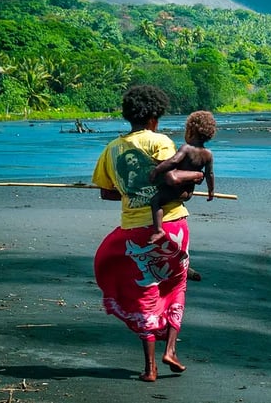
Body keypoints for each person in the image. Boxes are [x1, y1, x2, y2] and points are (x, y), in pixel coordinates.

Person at [92, 85, 202, 382]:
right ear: (154, 117)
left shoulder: (111, 149)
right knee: (177, 282)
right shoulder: (161, 142)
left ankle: (150, 368)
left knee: (146, 290)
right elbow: (172, 179)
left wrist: (133, 195)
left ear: (129, 116)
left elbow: (107, 193)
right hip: (172, 225)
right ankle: (171, 350)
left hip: (134, 230)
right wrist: (188, 190)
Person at [147, 110, 216, 245]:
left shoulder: (186, 148)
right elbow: (210, 174)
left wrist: (156, 170)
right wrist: (211, 191)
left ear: (190, 132)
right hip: (188, 193)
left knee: (156, 201)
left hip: (176, 189)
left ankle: (158, 230)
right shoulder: (208, 154)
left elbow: (173, 161)